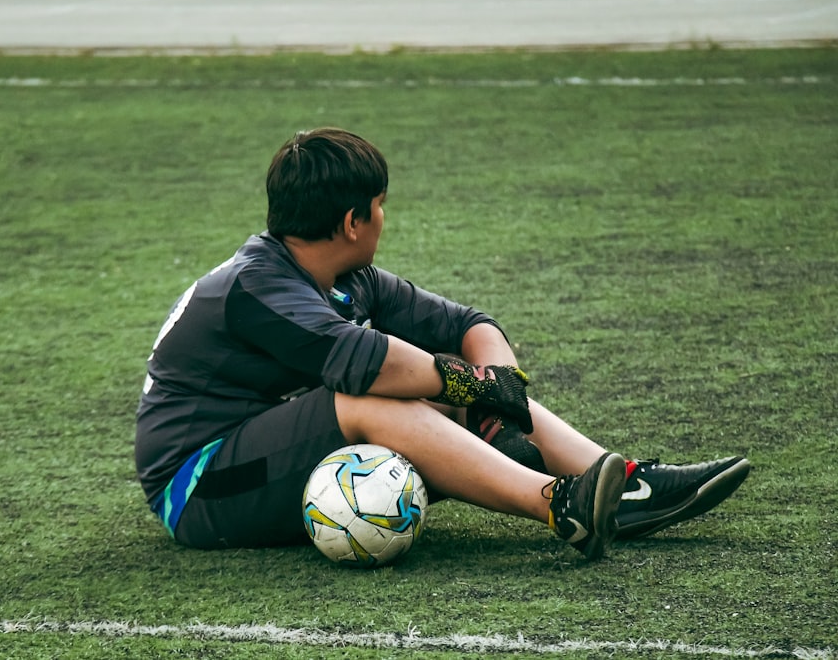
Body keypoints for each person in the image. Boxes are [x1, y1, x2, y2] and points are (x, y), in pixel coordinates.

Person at [135, 127, 750, 560]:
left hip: (258, 450)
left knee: (428, 379)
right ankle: (561, 505)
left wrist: (497, 392)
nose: (383, 218)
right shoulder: (255, 286)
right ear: (353, 221)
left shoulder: (345, 276)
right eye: (380, 206)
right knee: (374, 397)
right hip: (197, 488)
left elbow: (469, 325)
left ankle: (623, 484)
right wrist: (475, 390)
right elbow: (368, 366)